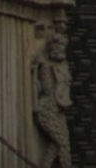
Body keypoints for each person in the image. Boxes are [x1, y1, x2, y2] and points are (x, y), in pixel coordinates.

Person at [32, 31, 72, 168]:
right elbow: (46, 88)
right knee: (61, 142)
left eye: (62, 47)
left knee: (59, 143)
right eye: (58, 46)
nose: (60, 49)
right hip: (47, 109)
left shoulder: (62, 66)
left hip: (58, 109)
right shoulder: (46, 66)